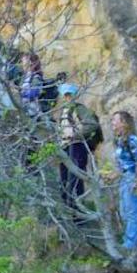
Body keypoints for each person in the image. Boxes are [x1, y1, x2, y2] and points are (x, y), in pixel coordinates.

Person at [57, 84, 100, 223]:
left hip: (77, 147)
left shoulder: (79, 109)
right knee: (65, 180)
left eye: (69, 94)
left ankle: (79, 216)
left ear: (74, 95)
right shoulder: (63, 111)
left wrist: (75, 134)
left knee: (76, 180)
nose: (67, 97)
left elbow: (92, 124)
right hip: (65, 148)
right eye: (65, 95)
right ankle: (69, 212)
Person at [111, 111, 137, 251]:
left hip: (133, 177)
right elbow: (123, 165)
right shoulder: (120, 140)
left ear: (123, 123)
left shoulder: (132, 140)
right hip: (124, 178)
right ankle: (131, 242)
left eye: (115, 120)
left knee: (132, 212)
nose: (112, 123)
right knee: (124, 211)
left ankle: (130, 246)